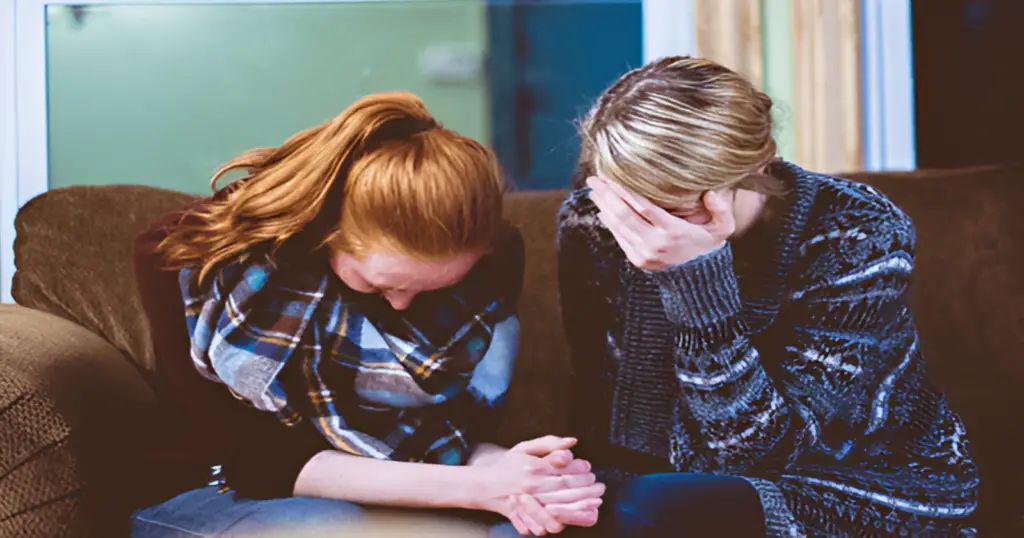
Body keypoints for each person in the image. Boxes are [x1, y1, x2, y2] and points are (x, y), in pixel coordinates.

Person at [132, 92, 604, 537]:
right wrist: (480, 488)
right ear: (330, 230)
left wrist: (514, 473)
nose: (401, 305)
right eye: (380, 285)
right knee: (334, 527)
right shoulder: (191, 259)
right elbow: (258, 462)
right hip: (220, 489)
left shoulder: (491, 264)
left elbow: (455, 434)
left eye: (433, 288)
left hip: (409, 488)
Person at [557, 56, 980, 537]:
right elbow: (601, 411)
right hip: (667, 491)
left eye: (675, 206)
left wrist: (697, 284)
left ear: (754, 167)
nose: (647, 223)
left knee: (651, 508)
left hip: (858, 489)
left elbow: (763, 456)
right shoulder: (598, 222)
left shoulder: (858, 234)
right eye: (632, 197)